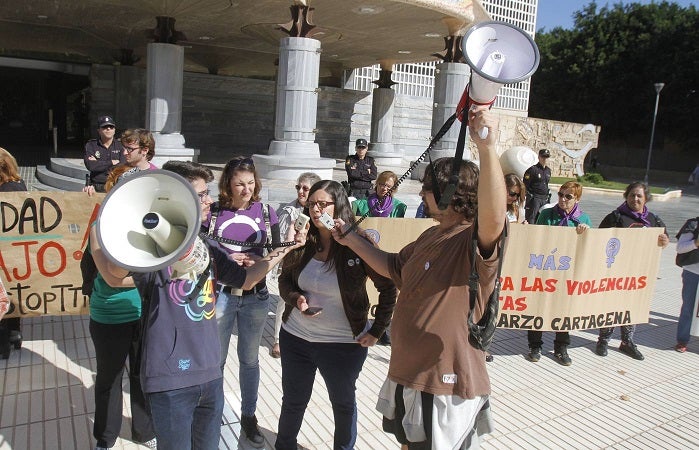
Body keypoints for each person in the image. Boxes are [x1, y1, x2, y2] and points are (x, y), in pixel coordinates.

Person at [90, 160, 307, 450]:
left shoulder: (207, 246)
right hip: (170, 379)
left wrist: (287, 248)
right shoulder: (150, 247)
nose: (209, 200)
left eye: (207, 193)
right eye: (201, 195)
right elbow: (114, 275)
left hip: (209, 375)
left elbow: (246, 279)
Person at [331, 106, 505, 449]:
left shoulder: (473, 240)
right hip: (409, 374)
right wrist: (350, 238)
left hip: (444, 383)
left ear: (450, 192)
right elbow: (392, 267)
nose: (421, 194)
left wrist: (487, 147)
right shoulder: (431, 235)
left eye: (427, 188)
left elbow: (495, 218)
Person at [275, 180, 397, 450]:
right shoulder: (304, 238)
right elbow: (284, 281)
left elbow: (388, 288)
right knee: (293, 401)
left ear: (338, 205)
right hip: (296, 339)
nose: (316, 210)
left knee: (342, 404)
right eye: (312, 204)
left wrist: (377, 330)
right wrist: (296, 300)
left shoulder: (357, 244)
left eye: (323, 204)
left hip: (342, 345)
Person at [202, 156, 279, 448]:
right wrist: (225, 259)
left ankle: (249, 416)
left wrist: (259, 259)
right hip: (221, 295)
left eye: (250, 183)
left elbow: (274, 251)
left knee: (249, 360)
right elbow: (202, 248)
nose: (246, 189)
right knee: (216, 361)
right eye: (239, 184)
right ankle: (213, 412)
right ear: (228, 185)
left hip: (255, 297)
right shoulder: (215, 212)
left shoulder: (266, 211)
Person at [84, 169, 156, 450]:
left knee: (142, 376)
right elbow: (113, 277)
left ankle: (144, 430)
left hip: (143, 314)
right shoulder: (98, 229)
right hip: (109, 316)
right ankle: (105, 437)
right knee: (109, 379)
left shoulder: (153, 228)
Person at [595, 182, 669, 360]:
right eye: (632, 195)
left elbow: (663, 240)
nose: (635, 199)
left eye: (639, 196)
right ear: (626, 196)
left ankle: (627, 342)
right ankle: (603, 340)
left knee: (632, 307)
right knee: (611, 306)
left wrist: (664, 242)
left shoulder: (653, 220)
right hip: (616, 272)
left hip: (638, 273)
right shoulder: (616, 217)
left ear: (646, 199)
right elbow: (599, 239)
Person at [528, 181, 591, 366]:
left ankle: (561, 347)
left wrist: (585, 234)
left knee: (564, 311)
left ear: (577, 198)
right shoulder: (547, 214)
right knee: (538, 307)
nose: (563, 199)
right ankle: (535, 345)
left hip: (567, 274)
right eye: (561, 194)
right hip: (545, 269)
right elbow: (536, 239)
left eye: (568, 196)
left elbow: (588, 249)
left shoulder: (584, 219)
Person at [270, 172, 322, 359]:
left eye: (305, 188)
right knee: (284, 302)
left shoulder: (322, 211)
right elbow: (282, 241)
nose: (300, 191)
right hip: (293, 262)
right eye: (298, 187)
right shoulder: (287, 211)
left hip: (315, 263)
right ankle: (277, 339)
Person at [0, 147, 27, 359]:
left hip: (5, 251)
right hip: (16, 252)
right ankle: (14, 333)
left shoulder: (5, 191)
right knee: (12, 291)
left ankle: (4, 344)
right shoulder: (19, 185)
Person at [84, 129, 158, 195]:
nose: (124, 152)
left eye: (129, 149)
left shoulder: (157, 176)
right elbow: (107, 198)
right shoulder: (117, 172)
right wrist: (93, 192)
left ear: (144, 150)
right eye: (125, 148)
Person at [675, 216, 699, 353]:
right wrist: (695, 243)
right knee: (688, 308)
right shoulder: (693, 224)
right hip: (693, 273)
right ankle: (682, 340)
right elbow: (679, 248)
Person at [84, 115, 125, 192]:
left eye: (111, 127)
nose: (108, 129)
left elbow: (122, 166)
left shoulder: (121, 145)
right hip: (96, 187)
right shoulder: (91, 145)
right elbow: (91, 166)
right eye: (105, 127)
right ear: (99, 130)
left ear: (114, 130)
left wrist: (98, 163)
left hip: (115, 186)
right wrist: (112, 162)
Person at [523, 148, 551, 224]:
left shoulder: (548, 171)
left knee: (543, 218)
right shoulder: (533, 170)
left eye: (546, 157)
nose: (545, 159)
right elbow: (525, 184)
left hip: (545, 198)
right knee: (532, 218)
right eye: (543, 157)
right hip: (535, 198)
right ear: (539, 157)